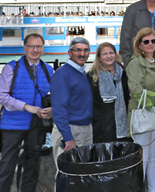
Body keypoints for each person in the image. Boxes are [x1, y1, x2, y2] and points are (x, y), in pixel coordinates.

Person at [0, 33, 53, 192]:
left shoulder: (49, 70)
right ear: (25, 48)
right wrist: (26, 106)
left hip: (37, 126)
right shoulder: (11, 67)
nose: (34, 50)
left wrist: (52, 110)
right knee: (7, 166)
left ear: (43, 49)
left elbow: (58, 96)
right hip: (12, 125)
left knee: (32, 168)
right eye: (31, 46)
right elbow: (2, 95)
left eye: (38, 46)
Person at [126, 28, 155, 192]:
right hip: (142, 115)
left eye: (153, 41)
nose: (150, 44)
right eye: (146, 41)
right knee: (142, 160)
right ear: (139, 45)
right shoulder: (135, 63)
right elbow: (135, 90)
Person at [51, 37, 94, 164]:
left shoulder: (81, 73)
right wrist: (68, 137)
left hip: (85, 129)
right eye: (78, 50)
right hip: (70, 130)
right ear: (70, 53)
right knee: (67, 175)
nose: (82, 54)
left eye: (86, 50)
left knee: (83, 174)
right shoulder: (62, 74)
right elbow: (59, 109)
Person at [88, 42, 131, 144]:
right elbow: (90, 101)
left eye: (111, 53)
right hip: (102, 125)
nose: (109, 56)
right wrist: (99, 120)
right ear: (99, 57)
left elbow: (127, 97)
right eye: (105, 54)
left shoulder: (123, 73)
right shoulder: (93, 75)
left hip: (122, 122)